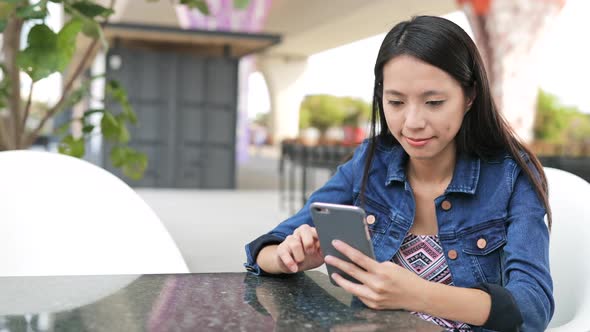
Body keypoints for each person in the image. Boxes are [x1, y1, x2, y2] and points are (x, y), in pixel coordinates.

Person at [244, 15, 553, 332]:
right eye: (396, 102)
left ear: (470, 96)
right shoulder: (371, 162)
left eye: (433, 102)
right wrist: (287, 257)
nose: (413, 122)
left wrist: (419, 295)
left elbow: (531, 307)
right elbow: (264, 249)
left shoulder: (511, 176)